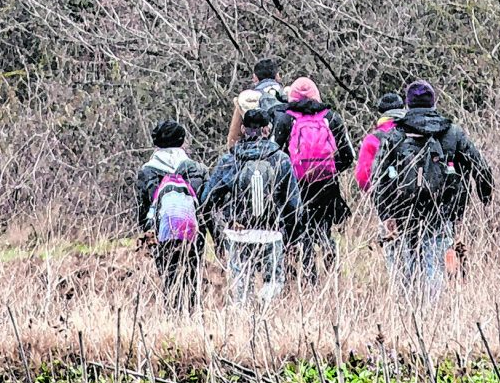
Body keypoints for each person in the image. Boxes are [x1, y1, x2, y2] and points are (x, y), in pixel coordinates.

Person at [369, 80, 492, 297]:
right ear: (434, 102)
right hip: (443, 212)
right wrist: (485, 196)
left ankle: (407, 315)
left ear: (407, 104)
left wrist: (386, 214)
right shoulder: (452, 133)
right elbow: (480, 168)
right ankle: (432, 312)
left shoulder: (395, 135)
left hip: (403, 214)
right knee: (435, 265)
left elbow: (378, 177)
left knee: (405, 270)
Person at [201, 107, 305, 304]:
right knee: (273, 281)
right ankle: (264, 313)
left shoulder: (229, 160)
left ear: (242, 128)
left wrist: (218, 233)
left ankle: (244, 322)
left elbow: (207, 200)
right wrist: (292, 237)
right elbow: (293, 204)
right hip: (272, 232)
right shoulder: (280, 160)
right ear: (268, 130)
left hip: (237, 232)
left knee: (241, 285)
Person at [278, 78, 350, 283]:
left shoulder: (285, 119)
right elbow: (347, 155)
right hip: (326, 186)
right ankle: (330, 267)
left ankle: (309, 277)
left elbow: (277, 155)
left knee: (302, 230)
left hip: (297, 186)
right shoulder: (331, 118)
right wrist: (330, 171)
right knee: (323, 227)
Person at [134, 120, 208, 309]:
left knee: (168, 276)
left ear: (156, 143)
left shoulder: (147, 171)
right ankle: (191, 312)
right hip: (193, 234)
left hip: (162, 234)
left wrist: (146, 234)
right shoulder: (198, 169)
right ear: (182, 141)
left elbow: (143, 209)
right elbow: (207, 206)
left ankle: (172, 314)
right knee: (192, 275)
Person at [226, 57, 288, 151]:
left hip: (256, 154)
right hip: (287, 157)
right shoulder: (289, 96)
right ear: (277, 76)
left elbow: (234, 136)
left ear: (255, 77)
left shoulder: (247, 100)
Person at [354, 90, 404, 195]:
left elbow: (363, 177)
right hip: (417, 196)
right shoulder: (415, 131)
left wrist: (374, 193)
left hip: (385, 197)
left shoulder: (372, 139)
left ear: (381, 113)